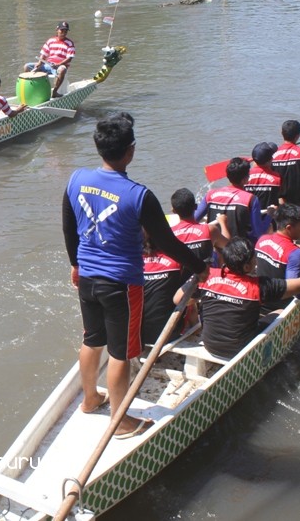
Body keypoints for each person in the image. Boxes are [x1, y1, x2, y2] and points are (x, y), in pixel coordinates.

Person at [63, 113, 207, 438]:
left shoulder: (76, 179)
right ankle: (121, 421)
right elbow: (167, 243)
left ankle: (89, 399)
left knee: (91, 339)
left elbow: (69, 228)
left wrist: (75, 264)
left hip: (87, 278)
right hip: (122, 284)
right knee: (121, 352)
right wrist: (199, 266)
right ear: (131, 151)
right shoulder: (138, 195)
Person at [188, 238, 300, 359]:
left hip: (209, 344)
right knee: (279, 312)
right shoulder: (260, 287)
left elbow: (178, 299)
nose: (256, 260)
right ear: (246, 266)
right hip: (237, 351)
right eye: (254, 258)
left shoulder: (207, 275)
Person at [194, 157, 272, 244]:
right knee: (269, 227)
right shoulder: (251, 199)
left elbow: (194, 219)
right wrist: (270, 215)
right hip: (239, 251)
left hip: (215, 249)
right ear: (245, 179)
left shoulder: (210, 194)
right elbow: (259, 233)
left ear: (227, 175)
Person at [170, 188, 229, 264]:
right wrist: (223, 223)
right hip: (207, 273)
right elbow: (228, 246)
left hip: (183, 274)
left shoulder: (169, 234)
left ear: (174, 211)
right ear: (196, 207)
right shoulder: (210, 230)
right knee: (217, 252)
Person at [25, 21, 75, 98]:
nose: (63, 33)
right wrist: (40, 62)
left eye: (65, 31)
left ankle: (55, 92)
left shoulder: (70, 43)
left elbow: (69, 58)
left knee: (62, 70)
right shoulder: (50, 41)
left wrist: (59, 64)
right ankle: (33, 90)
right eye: (62, 30)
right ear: (57, 30)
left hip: (60, 66)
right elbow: (44, 54)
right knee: (27, 67)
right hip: (48, 65)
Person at [245, 142, 283, 209]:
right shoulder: (277, 178)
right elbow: (281, 198)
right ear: (271, 159)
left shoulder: (244, 177)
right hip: (269, 216)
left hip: (249, 216)